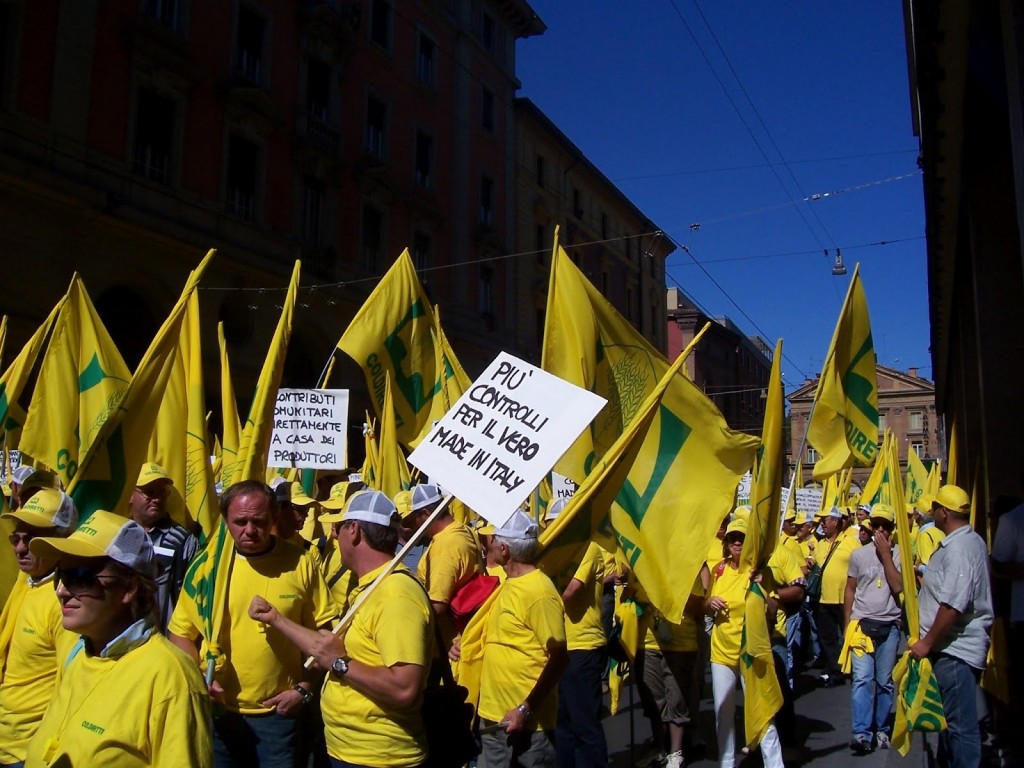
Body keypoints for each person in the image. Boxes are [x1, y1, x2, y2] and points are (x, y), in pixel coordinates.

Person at [250, 490, 434, 768]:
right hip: (352, 752)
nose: (334, 537)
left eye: (339, 528)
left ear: (355, 531)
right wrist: (276, 618)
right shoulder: (373, 586)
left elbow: (404, 688)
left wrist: (340, 663)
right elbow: (327, 647)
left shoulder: (396, 596)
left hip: (378, 757)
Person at [24, 509, 212, 767]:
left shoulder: (171, 676)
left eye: (79, 577)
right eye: (61, 576)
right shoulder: (79, 655)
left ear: (129, 588)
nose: (60, 591)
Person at [169, 480, 336, 768]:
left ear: (274, 518)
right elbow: (181, 633)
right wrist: (199, 679)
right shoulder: (207, 567)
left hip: (277, 717)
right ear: (225, 521)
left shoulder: (300, 563)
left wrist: (303, 689)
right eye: (240, 522)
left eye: (259, 521)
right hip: (218, 713)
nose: (250, 530)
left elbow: (324, 635)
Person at [909, 485, 994, 768]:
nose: (931, 512)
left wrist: (927, 642)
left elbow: (952, 605)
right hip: (950, 648)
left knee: (960, 728)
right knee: (952, 725)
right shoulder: (969, 541)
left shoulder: (959, 550)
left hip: (955, 650)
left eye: (935, 508)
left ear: (944, 512)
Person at [476, 509, 569, 768]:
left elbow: (559, 658)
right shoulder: (510, 582)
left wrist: (525, 709)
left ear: (504, 549)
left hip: (526, 725)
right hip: (494, 716)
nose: (488, 543)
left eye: (493, 539)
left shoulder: (539, 592)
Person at [0, 489, 78, 766]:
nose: (20, 548)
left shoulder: (66, 601)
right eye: (16, 538)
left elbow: (71, 684)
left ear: (62, 538)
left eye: (31, 539)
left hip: (28, 752)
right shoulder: (27, 579)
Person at [705, 518, 783, 768]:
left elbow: (773, 609)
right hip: (722, 653)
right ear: (726, 543)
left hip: (751, 652)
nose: (737, 543)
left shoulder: (759, 571)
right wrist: (710, 602)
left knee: (763, 711)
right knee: (723, 712)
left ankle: (775, 764)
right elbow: (705, 604)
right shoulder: (718, 570)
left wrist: (762, 587)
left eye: (742, 538)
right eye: (733, 538)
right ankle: (726, 763)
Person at [842, 503, 903, 754]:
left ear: (892, 529)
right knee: (862, 680)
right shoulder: (858, 555)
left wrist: (886, 555)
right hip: (862, 625)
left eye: (885, 526)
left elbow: (898, 587)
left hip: (889, 625)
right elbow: (850, 589)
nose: (880, 530)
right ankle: (861, 733)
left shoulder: (900, 554)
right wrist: (847, 624)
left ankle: (882, 729)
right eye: (876, 525)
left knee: (884, 682)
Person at [555, 513, 610, 768]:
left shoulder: (588, 549)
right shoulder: (556, 553)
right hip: (560, 645)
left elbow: (570, 591)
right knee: (562, 723)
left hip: (583, 646)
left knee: (584, 723)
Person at [399, 483, 482, 649]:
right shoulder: (462, 530)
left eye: (413, 519)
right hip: (462, 637)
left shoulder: (445, 545)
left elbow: (436, 605)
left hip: (452, 644)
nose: (412, 525)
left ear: (425, 513)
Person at [634, 579, 704, 768]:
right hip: (647, 642)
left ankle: (676, 752)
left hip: (681, 643)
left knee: (676, 698)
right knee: (653, 699)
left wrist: (669, 593)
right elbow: (632, 593)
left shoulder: (688, 568)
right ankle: (659, 748)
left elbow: (699, 607)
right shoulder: (642, 567)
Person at [129, 462, 200, 629]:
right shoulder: (117, 533)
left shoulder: (183, 540)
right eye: (149, 492)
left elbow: (193, 596)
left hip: (162, 636)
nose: (157, 499)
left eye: (162, 493)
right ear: (130, 495)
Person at [814, 506, 860, 686]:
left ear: (835, 521)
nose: (822, 524)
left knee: (849, 635)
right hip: (824, 599)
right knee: (828, 638)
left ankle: (855, 669)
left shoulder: (850, 542)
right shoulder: (820, 544)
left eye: (824, 520)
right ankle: (835, 671)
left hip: (845, 600)